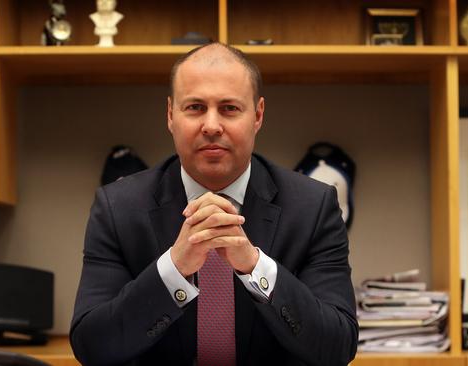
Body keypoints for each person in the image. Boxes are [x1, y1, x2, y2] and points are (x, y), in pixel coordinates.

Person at [70, 42, 358, 366]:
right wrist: (173, 270)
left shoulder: (314, 207)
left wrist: (254, 266)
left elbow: (337, 348)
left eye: (229, 108)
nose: (211, 125)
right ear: (170, 115)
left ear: (258, 115)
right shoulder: (117, 208)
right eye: (194, 107)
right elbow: (91, 347)